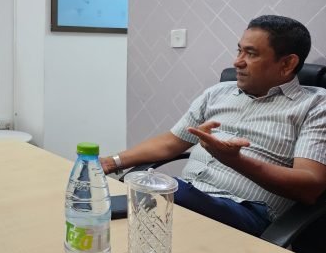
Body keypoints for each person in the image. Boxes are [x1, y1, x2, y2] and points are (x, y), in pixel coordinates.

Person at [101, 15, 326, 236]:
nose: (237, 61)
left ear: (287, 63)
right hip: (190, 196)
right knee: (108, 208)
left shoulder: (315, 105)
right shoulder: (218, 93)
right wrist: (111, 162)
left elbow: (310, 187)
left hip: (246, 211)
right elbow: (171, 142)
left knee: (156, 194)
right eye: (239, 50)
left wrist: (235, 160)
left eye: (251, 53)